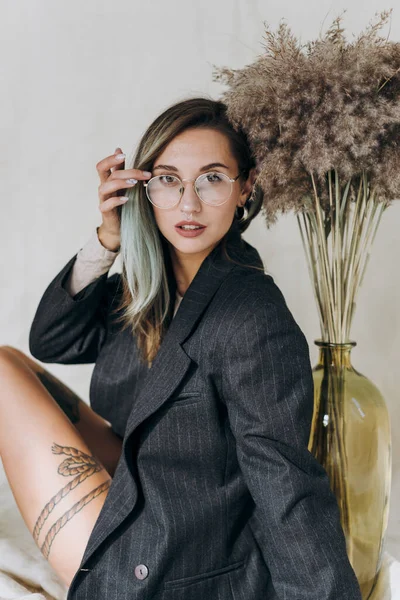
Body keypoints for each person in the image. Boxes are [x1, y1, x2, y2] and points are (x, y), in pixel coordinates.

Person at [0, 97, 362, 599]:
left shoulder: (251, 313)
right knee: (9, 363)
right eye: (168, 180)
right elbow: (52, 341)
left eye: (212, 178)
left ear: (245, 188)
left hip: (176, 559)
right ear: (144, 189)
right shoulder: (152, 284)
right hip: (144, 492)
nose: (188, 205)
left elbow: (285, 480)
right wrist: (108, 238)